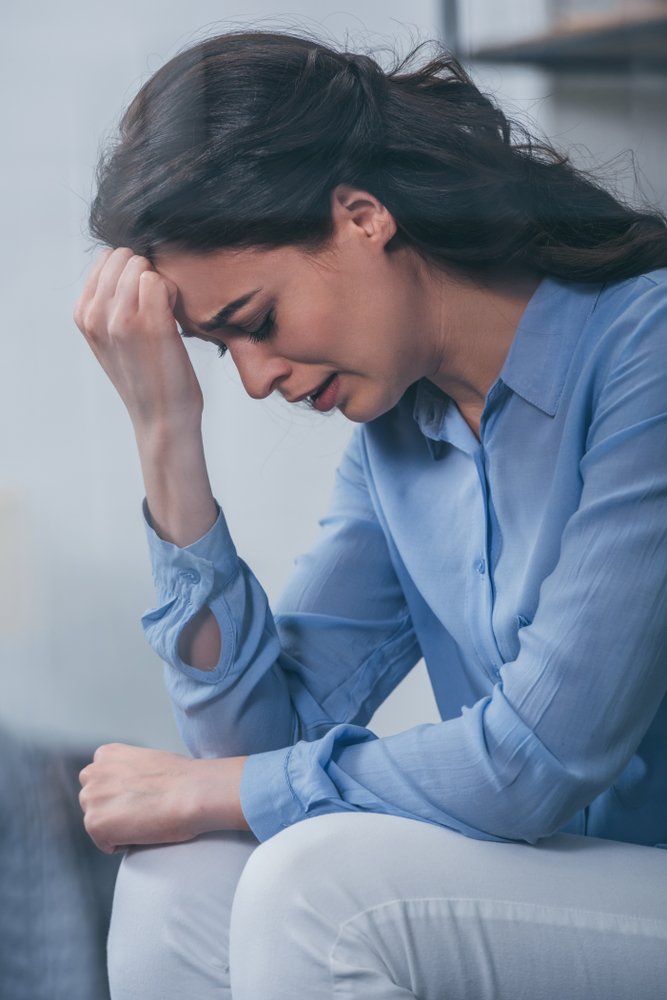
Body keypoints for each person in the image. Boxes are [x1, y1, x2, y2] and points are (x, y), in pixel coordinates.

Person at [75, 29, 667, 1000]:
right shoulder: (399, 433)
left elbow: (537, 759)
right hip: (573, 881)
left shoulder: (643, 349)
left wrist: (209, 789)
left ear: (361, 216)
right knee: (180, 876)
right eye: (223, 352)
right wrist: (166, 433)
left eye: (255, 322)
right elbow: (259, 748)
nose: (257, 379)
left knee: (314, 889)